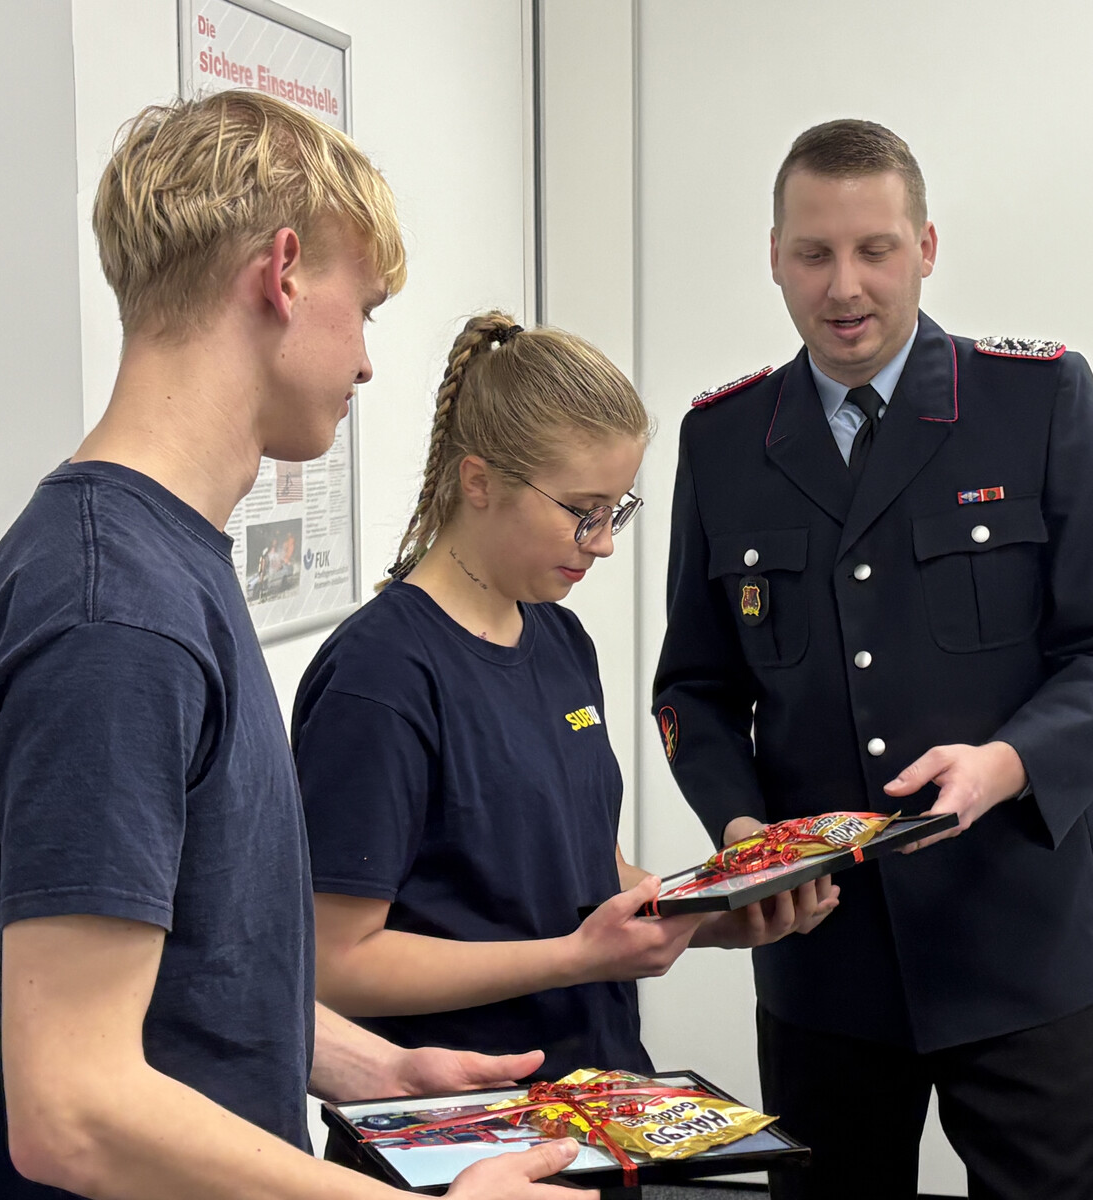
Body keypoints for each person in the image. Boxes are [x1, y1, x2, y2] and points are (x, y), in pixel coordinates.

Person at [0, 91, 584, 1200]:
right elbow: (73, 1111)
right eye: (364, 307)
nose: (369, 363)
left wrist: (374, 1068)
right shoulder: (116, 611)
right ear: (283, 274)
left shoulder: (143, 559)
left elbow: (187, 974)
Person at [651, 119, 1093, 1200]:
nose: (844, 286)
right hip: (824, 960)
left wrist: (1007, 763)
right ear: (774, 256)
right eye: (813, 254)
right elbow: (694, 689)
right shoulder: (723, 441)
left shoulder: (1035, 401)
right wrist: (744, 834)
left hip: (1026, 940)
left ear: (925, 247)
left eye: (875, 250)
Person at [291, 312, 837, 1096]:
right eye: (583, 511)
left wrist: (710, 916)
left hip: (600, 1102)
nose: (604, 541)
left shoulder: (560, 640)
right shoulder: (380, 678)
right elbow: (334, 966)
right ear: (478, 481)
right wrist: (577, 957)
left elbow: (586, 869)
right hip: (469, 1128)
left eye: (616, 510)